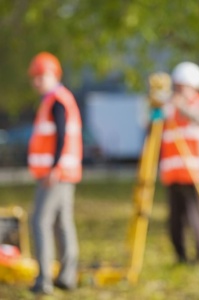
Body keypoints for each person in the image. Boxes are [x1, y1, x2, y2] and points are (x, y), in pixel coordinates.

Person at [27, 52, 83, 294]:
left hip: (56, 175)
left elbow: (62, 136)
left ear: (54, 75)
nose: (37, 81)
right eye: (35, 77)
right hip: (63, 173)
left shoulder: (57, 100)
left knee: (39, 221)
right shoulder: (55, 99)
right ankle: (67, 276)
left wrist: (54, 168)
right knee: (62, 223)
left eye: (42, 76)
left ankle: (44, 280)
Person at [159, 61, 199, 264]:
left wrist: (181, 106)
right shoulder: (169, 107)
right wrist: (157, 105)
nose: (179, 90)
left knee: (195, 217)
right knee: (175, 220)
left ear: (195, 85)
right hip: (173, 173)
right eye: (177, 86)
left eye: (183, 85)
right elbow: (152, 125)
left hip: (195, 172)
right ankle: (181, 257)